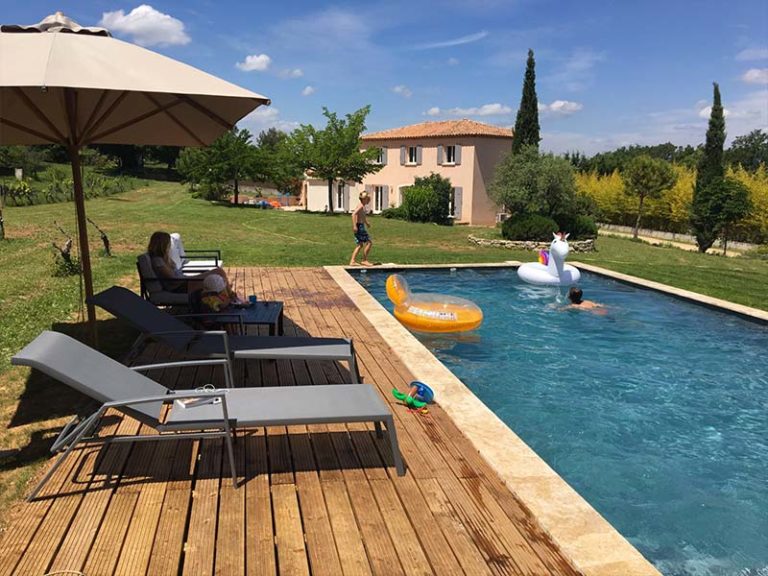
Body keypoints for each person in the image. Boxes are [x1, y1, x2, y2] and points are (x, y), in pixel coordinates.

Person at [147, 231, 242, 300]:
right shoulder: (158, 261)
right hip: (180, 286)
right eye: (168, 244)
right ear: (162, 245)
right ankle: (231, 296)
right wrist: (195, 278)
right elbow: (173, 279)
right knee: (218, 272)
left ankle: (228, 295)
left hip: (184, 282)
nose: (169, 247)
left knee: (216, 276)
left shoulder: (163, 258)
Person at [349, 191, 373, 267]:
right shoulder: (360, 206)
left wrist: (366, 223)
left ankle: (352, 261)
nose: (369, 200)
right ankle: (364, 260)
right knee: (369, 242)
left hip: (360, 225)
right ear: (364, 199)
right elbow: (353, 214)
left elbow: (362, 217)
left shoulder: (362, 206)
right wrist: (354, 226)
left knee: (360, 245)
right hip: (359, 227)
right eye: (368, 199)